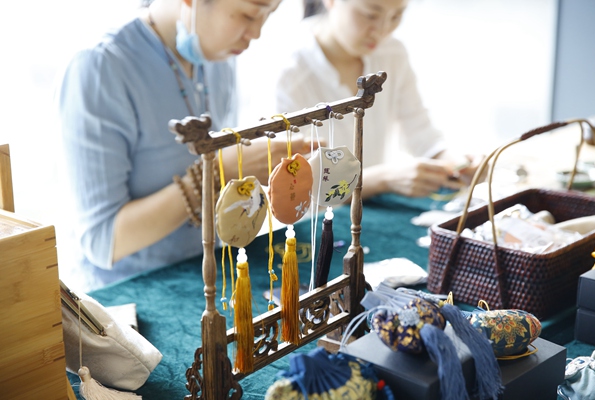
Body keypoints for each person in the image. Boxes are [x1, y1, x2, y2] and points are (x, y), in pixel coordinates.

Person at [57, 0, 311, 291]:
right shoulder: (100, 68)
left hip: (207, 271)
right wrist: (217, 172)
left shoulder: (218, 57)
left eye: (269, 15)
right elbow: (103, 241)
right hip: (127, 291)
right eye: (249, 15)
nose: (256, 33)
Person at [274, 0, 482, 199]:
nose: (382, 30)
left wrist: (458, 163)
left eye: (396, 16)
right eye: (371, 15)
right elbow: (298, 182)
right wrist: (384, 178)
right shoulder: (290, 71)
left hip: (372, 206)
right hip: (315, 218)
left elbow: (421, 133)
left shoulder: (392, 53)